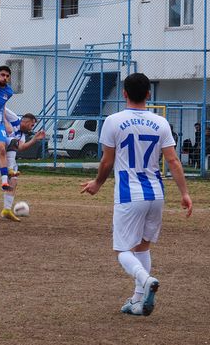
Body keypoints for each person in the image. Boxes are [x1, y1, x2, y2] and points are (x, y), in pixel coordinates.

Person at [81, 73, 193, 317]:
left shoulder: (113, 121)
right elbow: (173, 160)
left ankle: (145, 280)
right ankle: (138, 300)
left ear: (124, 94)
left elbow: (107, 160)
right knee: (142, 247)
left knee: (123, 250)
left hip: (129, 194)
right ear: (148, 94)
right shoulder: (161, 123)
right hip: (156, 193)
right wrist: (184, 193)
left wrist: (98, 183)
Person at [0, 109, 46, 221]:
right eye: (32, 125)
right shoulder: (14, 118)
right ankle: (10, 169)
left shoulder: (21, 135)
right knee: (12, 140)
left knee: (13, 180)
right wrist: (6, 122)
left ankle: (6, 210)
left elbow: (20, 147)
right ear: (26, 122)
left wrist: (35, 139)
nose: (32, 128)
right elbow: (1, 106)